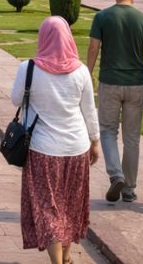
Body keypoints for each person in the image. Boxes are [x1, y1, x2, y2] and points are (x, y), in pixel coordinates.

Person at [13, 16, 100, 262]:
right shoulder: (81, 71)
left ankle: (58, 260)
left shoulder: (29, 68)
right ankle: (66, 256)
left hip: (42, 148)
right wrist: (95, 142)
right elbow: (89, 110)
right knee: (71, 205)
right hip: (76, 146)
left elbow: (16, 99)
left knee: (47, 207)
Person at [86, 0, 143, 204]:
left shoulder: (103, 16)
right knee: (132, 137)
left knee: (107, 130)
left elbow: (94, 48)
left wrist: (87, 73)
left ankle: (116, 174)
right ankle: (129, 188)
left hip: (110, 80)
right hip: (136, 83)